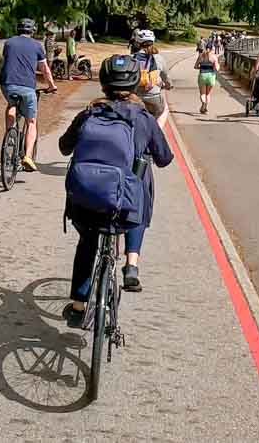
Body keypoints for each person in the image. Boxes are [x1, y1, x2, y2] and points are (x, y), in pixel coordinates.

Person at [59, 55, 174, 326]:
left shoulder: (89, 112)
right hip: (125, 206)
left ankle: (78, 305)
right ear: (135, 83)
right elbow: (165, 158)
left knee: (87, 241)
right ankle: (132, 263)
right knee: (139, 190)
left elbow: (64, 146)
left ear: (103, 83)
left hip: (87, 202)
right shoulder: (143, 117)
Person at [0, 18, 58, 171]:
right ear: (32, 31)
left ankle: (9, 134)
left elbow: (9, 60)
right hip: (26, 87)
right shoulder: (37, 46)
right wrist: (51, 86)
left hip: (7, 84)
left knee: (11, 104)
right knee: (31, 121)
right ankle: (28, 156)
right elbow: (45, 69)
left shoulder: (9, 43)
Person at [131, 29, 172, 122]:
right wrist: (169, 85)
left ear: (137, 43)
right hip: (153, 97)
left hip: (135, 97)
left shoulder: (131, 58)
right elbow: (166, 76)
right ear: (153, 42)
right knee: (164, 110)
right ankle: (157, 132)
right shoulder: (159, 58)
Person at [194, 39, 219, 114]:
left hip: (202, 75)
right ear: (212, 49)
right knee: (208, 94)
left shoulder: (201, 56)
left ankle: (203, 105)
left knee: (202, 94)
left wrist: (201, 67)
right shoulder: (214, 57)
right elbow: (216, 68)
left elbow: (195, 66)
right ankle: (206, 108)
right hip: (211, 76)